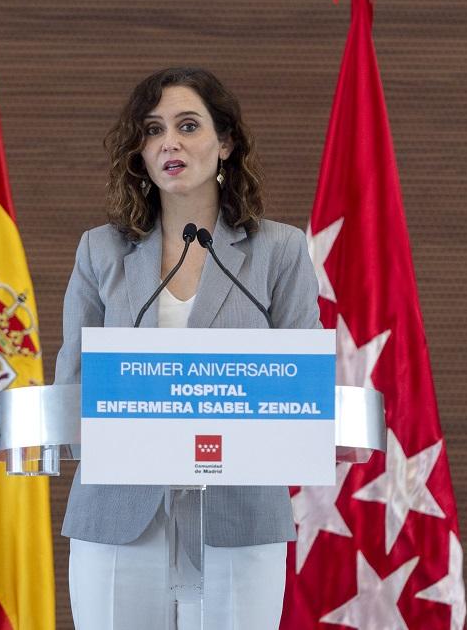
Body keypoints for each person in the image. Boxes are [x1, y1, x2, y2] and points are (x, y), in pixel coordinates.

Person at [54, 67, 321, 629]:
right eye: (153, 130)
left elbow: (304, 387)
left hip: (240, 515)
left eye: (188, 125)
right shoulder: (101, 252)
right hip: (120, 514)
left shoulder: (280, 251)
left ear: (224, 143)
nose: (168, 142)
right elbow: (74, 390)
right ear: (141, 153)